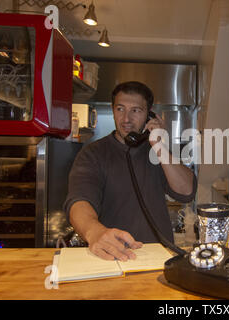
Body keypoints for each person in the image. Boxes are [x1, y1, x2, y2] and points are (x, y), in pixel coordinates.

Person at [64, 81, 197, 261]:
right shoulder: (93, 154)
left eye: (136, 110)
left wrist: (159, 145)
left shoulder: (157, 152)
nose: (126, 119)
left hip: (157, 257)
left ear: (150, 115)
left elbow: (187, 192)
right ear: (112, 110)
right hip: (113, 255)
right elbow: (79, 201)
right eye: (120, 109)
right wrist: (95, 232)